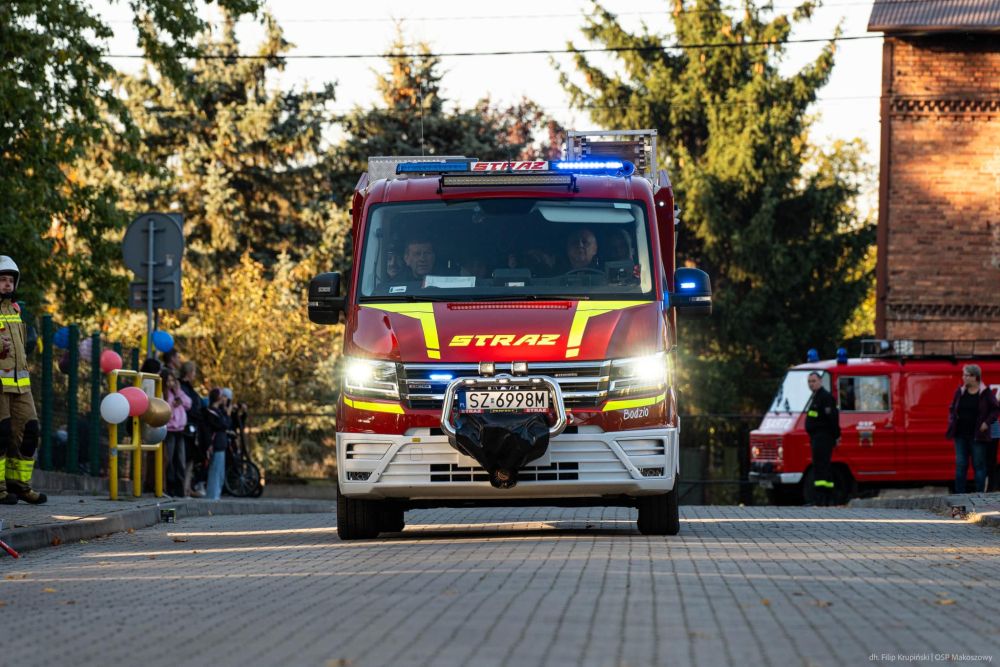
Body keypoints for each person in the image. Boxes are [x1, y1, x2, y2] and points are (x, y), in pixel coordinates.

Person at [0, 256, 46, 505]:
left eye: (10, 280)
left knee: (30, 431)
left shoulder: (16, 310)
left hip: (21, 385)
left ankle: (19, 484)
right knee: (1, 434)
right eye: (2, 280)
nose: (7, 285)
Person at [945, 364, 999, 494]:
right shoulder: (960, 392)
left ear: (975, 377)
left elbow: (995, 409)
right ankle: (959, 497)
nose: (963, 377)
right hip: (960, 435)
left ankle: (979, 496)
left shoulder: (985, 393)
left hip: (977, 436)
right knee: (961, 466)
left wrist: (986, 423)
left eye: (966, 375)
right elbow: (952, 408)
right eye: (963, 375)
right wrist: (952, 420)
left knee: (979, 466)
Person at [804, 371, 840, 506]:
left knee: (821, 467)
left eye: (813, 381)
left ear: (820, 381)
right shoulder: (816, 397)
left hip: (823, 438)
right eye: (809, 382)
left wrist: (836, 436)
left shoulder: (825, 397)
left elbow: (832, 419)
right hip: (817, 438)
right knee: (821, 467)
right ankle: (825, 499)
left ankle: (822, 499)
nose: (811, 384)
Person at [162, 370, 191, 497]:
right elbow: (165, 412)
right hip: (169, 430)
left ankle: (180, 489)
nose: (171, 383)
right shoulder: (164, 394)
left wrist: (178, 391)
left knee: (181, 460)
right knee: (170, 460)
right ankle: (170, 487)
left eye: (172, 380)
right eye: (168, 380)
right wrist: (173, 406)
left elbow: (188, 403)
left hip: (180, 430)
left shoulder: (176, 392)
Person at [179, 360, 204, 497]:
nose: (194, 374)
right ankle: (183, 488)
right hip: (185, 426)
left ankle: (187, 487)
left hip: (191, 426)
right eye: (193, 372)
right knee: (183, 458)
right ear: (189, 373)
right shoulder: (183, 387)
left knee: (190, 460)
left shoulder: (188, 387)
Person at [204, 388, 232, 500]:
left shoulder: (219, 411)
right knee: (215, 471)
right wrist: (228, 414)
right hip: (216, 444)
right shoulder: (211, 412)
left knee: (220, 472)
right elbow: (223, 425)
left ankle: (217, 495)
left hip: (221, 443)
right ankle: (212, 496)